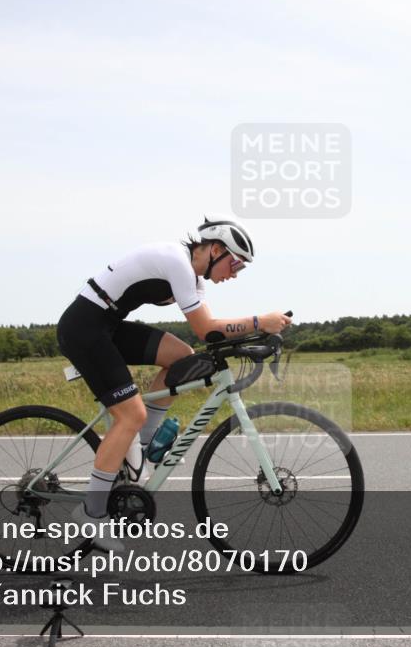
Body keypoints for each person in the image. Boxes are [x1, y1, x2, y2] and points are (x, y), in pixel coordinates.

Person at [56, 217, 292, 551]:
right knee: (130, 415)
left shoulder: (195, 281)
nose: (235, 273)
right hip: (84, 328)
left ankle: (146, 442)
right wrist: (258, 321)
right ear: (214, 249)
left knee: (182, 357)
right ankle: (91, 514)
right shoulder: (177, 262)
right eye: (235, 263)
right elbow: (207, 329)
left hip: (106, 324)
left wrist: (253, 335)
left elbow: (211, 333)